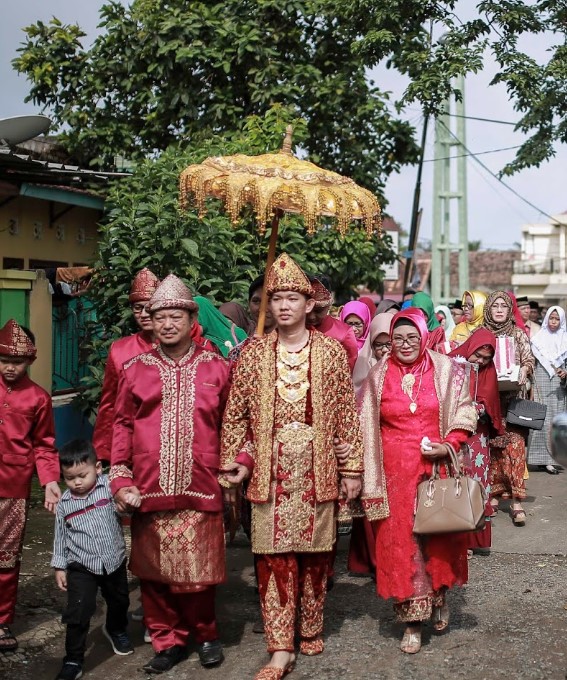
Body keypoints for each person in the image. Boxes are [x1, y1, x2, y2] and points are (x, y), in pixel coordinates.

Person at [220, 253, 363, 680]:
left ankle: (311, 626)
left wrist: (352, 468)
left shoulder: (332, 352)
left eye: (291, 299)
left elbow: (344, 415)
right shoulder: (252, 353)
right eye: (275, 298)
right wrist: (234, 463)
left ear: (308, 304)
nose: (283, 306)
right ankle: (280, 646)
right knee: (272, 557)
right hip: (270, 471)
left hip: (318, 469)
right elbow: (236, 414)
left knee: (318, 555)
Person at [110, 274, 230, 674]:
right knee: (154, 574)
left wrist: (236, 464)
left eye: (175, 315)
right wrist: (121, 480)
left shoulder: (216, 366)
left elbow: (234, 423)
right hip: (148, 487)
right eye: (159, 316)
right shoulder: (134, 369)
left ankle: (206, 634)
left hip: (202, 483)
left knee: (199, 574)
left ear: (191, 317)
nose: (166, 323)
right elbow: (122, 425)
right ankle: (167, 641)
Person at [358, 308, 477, 654]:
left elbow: (465, 409)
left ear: (424, 337)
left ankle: (439, 596)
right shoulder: (377, 376)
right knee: (401, 543)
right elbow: (363, 423)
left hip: (434, 468)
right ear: (388, 341)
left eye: (412, 337)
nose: (405, 344)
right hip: (393, 472)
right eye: (398, 338)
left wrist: (450, 443)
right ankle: (411, 619)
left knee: (437, 537)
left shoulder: (445, 370)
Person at [0, 319, 61, 652]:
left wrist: (50, 480)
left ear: (30, 360)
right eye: (4, 360)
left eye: (17, 361)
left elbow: (44, 444)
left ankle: (1, 621)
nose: (10, 367)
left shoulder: (38, 398)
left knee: (6, 557)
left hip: (14, 489)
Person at [52, 440, 133, 680]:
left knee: (120, 601)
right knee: (78, 611)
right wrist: (59, 566)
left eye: (82, 475)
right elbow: (60, 535)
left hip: (113, 560)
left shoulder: (109, 488)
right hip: (81, 566)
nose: (76, 482)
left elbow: (126, 511)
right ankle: (73, 659)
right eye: (69, 478)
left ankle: (115, 628)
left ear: (98, 468)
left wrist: (128, 504)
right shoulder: (65, 503)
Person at [93, 268, 160, 462]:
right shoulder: (120, 349)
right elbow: (109, 403)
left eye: (150, 307)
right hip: (131, 442)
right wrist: (103, 451)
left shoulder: (178, 346)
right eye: (138, 308)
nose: (144, 314)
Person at [483, 291, 535, 525]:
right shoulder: (481, 334)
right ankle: (494, 496)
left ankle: (515, 501)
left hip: (513, 401)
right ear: (489, 309)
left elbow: (528, 360)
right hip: (490, 401)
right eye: (495, 306)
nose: (500, 309)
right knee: (493, 449)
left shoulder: (518, 334)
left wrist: (524, 370)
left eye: (505, 305)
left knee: (515, 448)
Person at [450, 329, 504, 552]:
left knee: (476, 484)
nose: (480, 362)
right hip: (454, 433)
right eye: (477, 356)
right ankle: (455, 540)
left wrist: (478, 408)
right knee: (456, 481)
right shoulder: (452, 362)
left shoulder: (489, 372)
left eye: (486, 358)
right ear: (470, 348)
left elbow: (489, 402)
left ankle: (473, 539)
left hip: (477, 437)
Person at [528, 306, 567, 474]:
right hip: (540, 382)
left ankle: (552, 459)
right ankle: (540, 459)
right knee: (541, 421)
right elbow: (531, 364)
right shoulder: (538, 339)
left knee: (556, 421)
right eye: (551, 318)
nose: (553, 322)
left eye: (557, 319)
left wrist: (565, 373)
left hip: (558, 386)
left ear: (562, 321)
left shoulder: (565, 340)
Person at [306, 276, 358, 371]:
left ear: (329, 305)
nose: (311, 316)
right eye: (307, 310)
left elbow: (349, 372)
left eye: (318, 311)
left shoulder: (343, 333)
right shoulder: (290, 330)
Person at [352, 313, 393, 393]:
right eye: (378, 345)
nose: (384, 349)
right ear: (371, 344)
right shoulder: (364, 365)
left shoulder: (406, 366)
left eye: (389, 344)